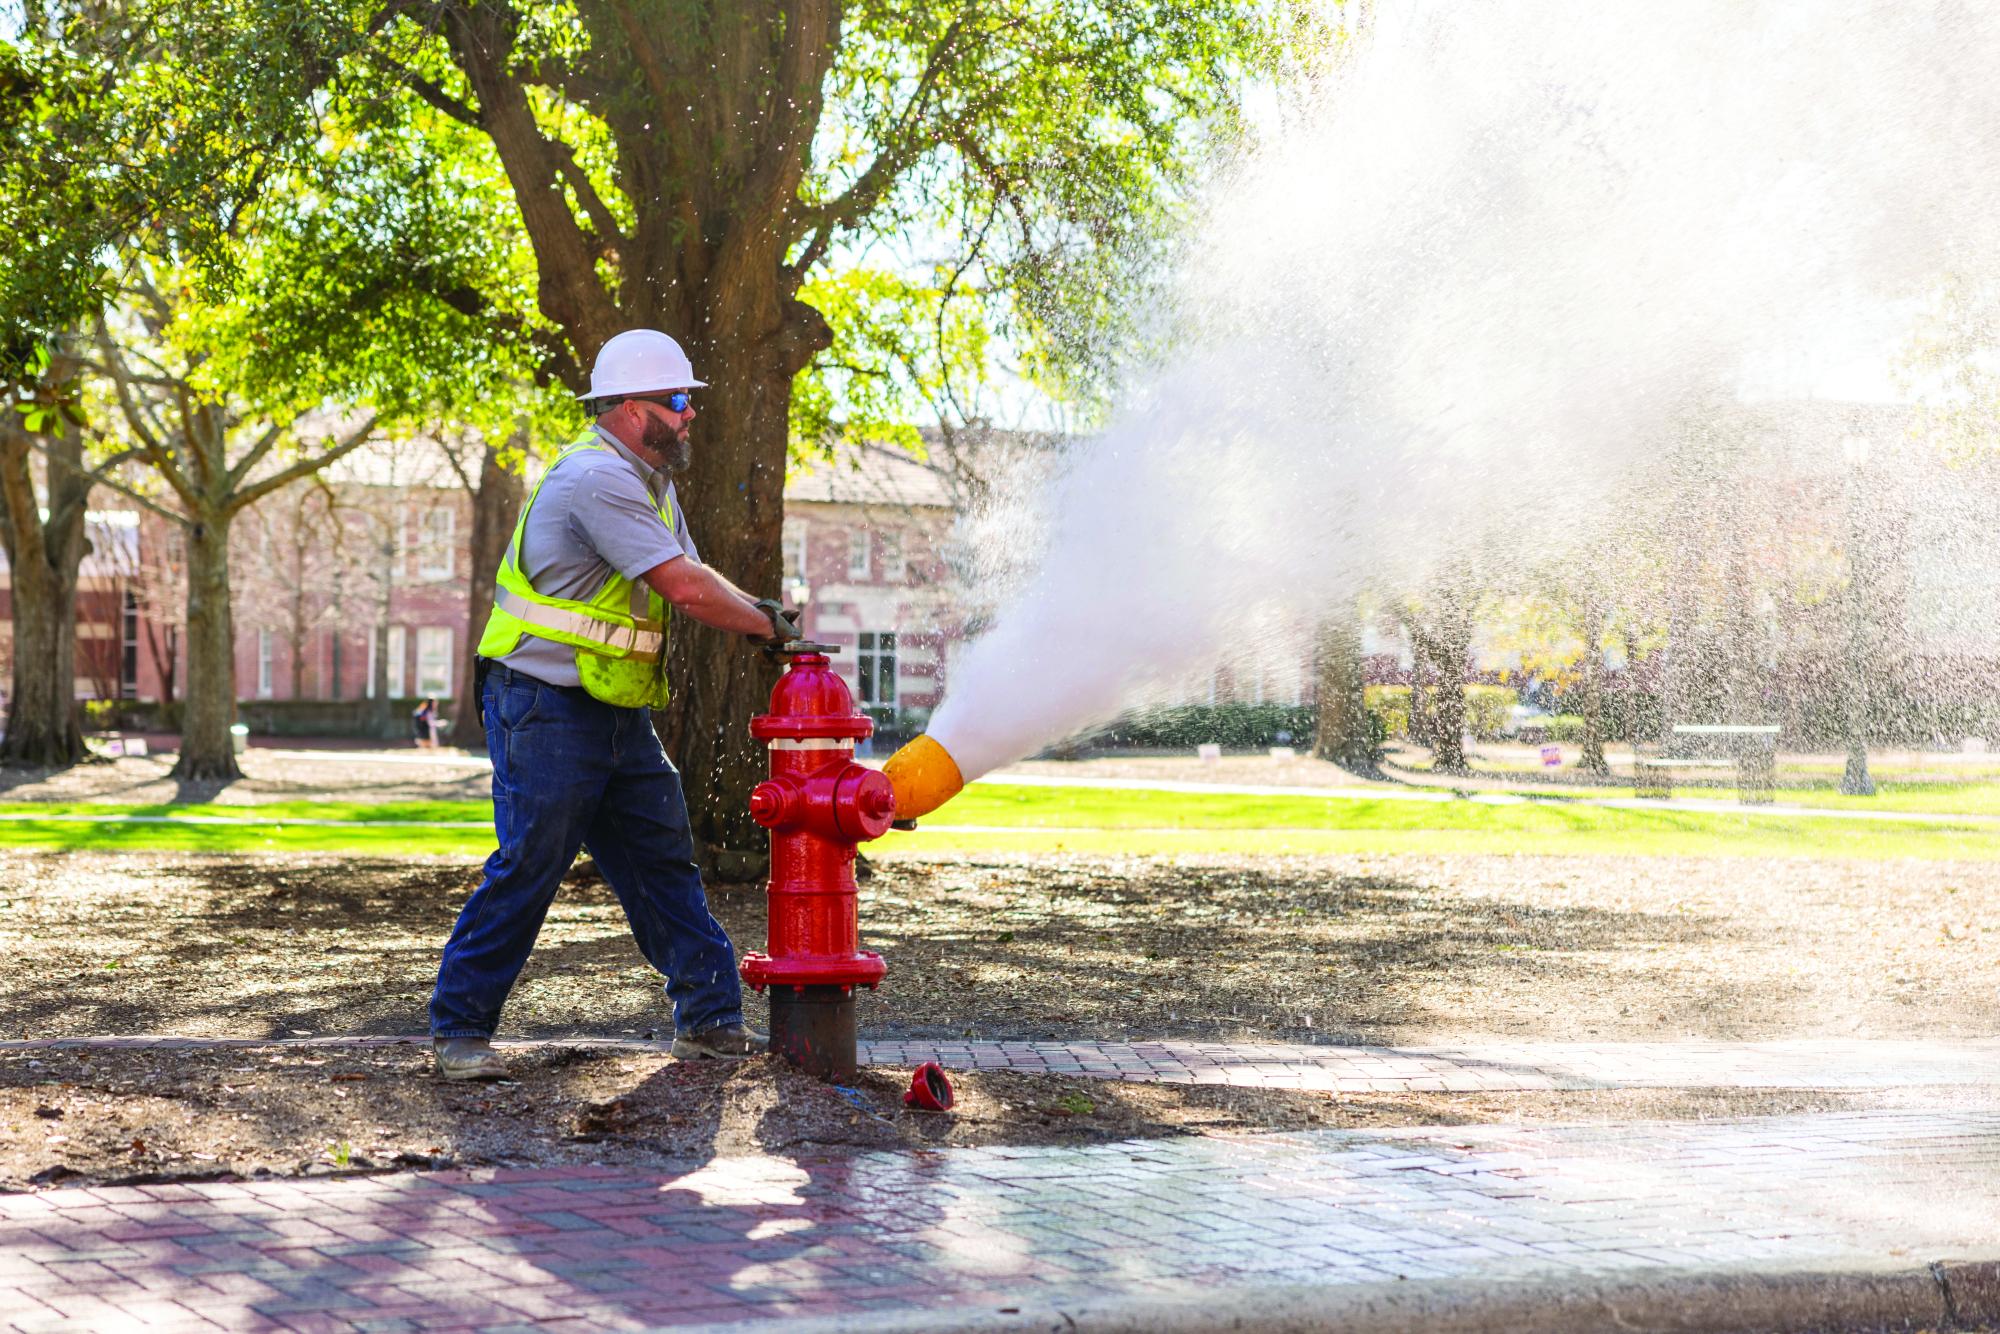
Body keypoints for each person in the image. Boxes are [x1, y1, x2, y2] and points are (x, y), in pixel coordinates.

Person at [429, 329, 800, 1081]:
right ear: (630, 408)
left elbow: (692, 570)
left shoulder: (649, 483)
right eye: (676, 400)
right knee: (532, 860)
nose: (689, 413)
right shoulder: (596, 479)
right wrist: (770, 625)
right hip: (543, 701)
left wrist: (762, 612)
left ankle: (710, 1020)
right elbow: (683, 588)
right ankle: (459, 1030)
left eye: (689, 400)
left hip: (606, 704)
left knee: (661, 857)